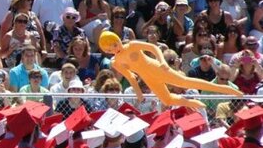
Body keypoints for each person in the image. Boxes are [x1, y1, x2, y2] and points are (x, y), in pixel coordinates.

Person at [98, 31, 240, 109]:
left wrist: (162, 61)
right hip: (148, 78)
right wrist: (138, 92)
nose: (114, 49)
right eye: (109, 49)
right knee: (167, 100)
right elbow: (131, 77)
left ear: (117, 39)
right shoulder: (116, 62)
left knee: (185, 82)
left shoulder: (132, 45)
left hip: (158, 68)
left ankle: (226, 89)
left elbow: (153, 48)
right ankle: (190, 103)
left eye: (114, 44)